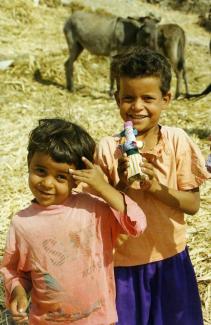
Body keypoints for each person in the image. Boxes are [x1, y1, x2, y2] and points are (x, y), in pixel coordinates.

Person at [94, 47, 210, 325]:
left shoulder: (178, 141)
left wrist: (155, 187)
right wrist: (122, 183)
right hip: (123, 267)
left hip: (171, 260)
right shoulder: (108, 149)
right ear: (116, 99)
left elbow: (192, 205)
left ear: (166, 99)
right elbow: (98, 215)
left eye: (148, 98)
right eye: (128, 98)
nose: (137, 107)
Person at [0, 118, 147, 325]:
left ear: (77, 178)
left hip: (99, 320)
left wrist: (103, 187)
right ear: (29, 164)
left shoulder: (93, 210)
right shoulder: (22, 223)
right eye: (40, 170)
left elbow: (137, 224)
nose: (47, 183)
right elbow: (14, 271)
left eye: (61, 177)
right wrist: (18, 292)